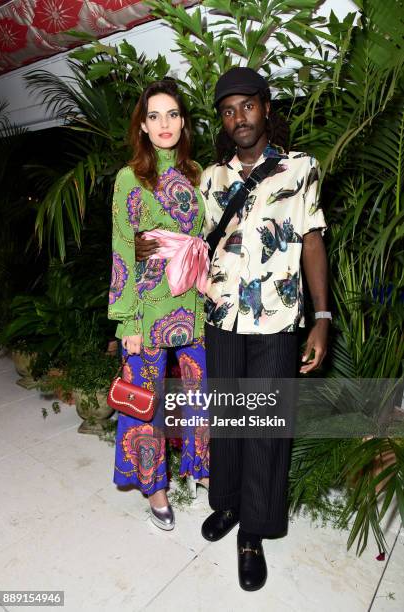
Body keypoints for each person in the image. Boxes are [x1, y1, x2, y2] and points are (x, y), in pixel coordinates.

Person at [135, 67, 329, 590]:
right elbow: (190, 240)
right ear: (221, 120)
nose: (238, 117)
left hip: (277, 318)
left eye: (247, 105)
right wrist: (143, 247)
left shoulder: (300, 169)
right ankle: (228, 505)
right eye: (228, 110)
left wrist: (323, 317)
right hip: (221, 317)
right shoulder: (212, 178)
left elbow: (312, 240)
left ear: (266, 108)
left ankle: (255, 533)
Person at [108, 79, 209, 532]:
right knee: (144, 405)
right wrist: (126, 318)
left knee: (201, 396)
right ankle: (156, 489)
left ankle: (203, 471)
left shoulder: (198, 174)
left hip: (194, 304)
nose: (164, 124)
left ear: (183, 122)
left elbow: (206, 239)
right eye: (154, 116)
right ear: (143, 126)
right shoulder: (130, 177)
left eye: (172, 114)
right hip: (147, 309)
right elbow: (121, 248)